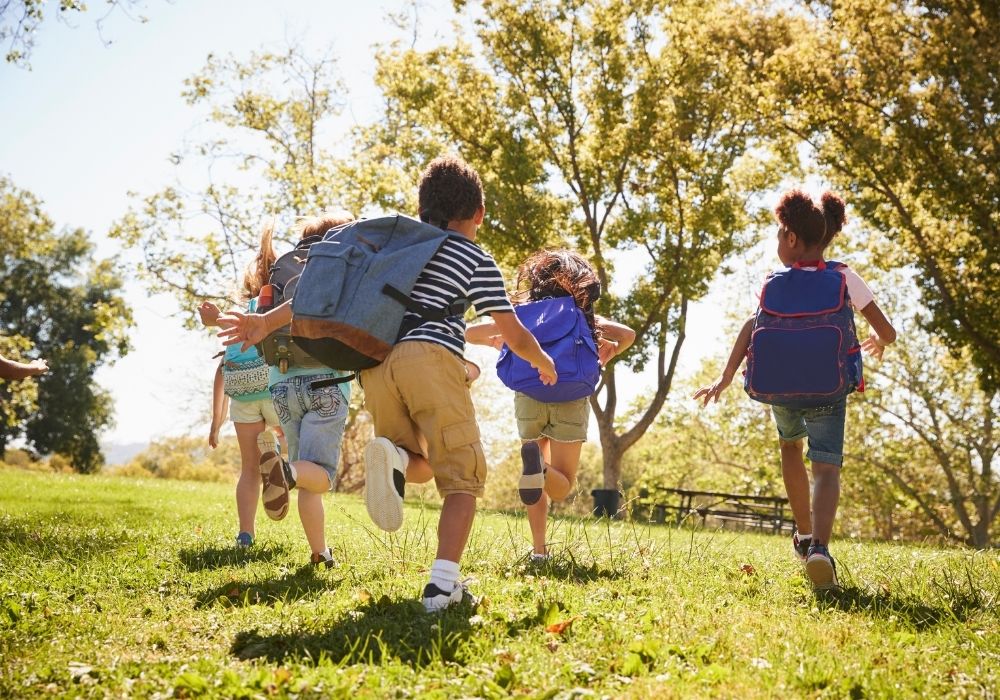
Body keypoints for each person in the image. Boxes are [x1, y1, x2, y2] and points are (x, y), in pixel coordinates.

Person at [693, 190, 896, 590]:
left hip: (780, 388)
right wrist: (879, 340)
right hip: (828, 389)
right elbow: (887, 330)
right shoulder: (843, 276)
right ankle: (820, 547)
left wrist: (727, 375)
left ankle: (803, 535)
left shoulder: (774, 282)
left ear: (790, 238)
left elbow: (751, 328)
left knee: (790, 448)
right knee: (825, 467)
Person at [466, 249, 635, 561]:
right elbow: (627, 334)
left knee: (535, 483)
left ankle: (539, 550)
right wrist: (608, 352)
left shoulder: (521, 314)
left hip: (529, 393)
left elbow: (471, 332)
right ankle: (541, 468)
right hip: (571, 395)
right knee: (561, 485)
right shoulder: (583, 315)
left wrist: (501, 339)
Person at [218, 211, 356, 569]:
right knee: (319, 475)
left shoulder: (285, 268)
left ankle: (320, 553)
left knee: (306, 467)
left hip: (282, 384)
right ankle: (287, 472)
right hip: (327, 382)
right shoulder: (341, 265)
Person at [199, 224, 282, 550]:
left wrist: (216, 422)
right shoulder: (276, 313)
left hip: (244, 397)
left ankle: (245, 535)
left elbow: (221, 373)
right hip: (274, 392)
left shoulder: (236, 315)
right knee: (289, 440)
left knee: (249, 469)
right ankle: (283, 461)